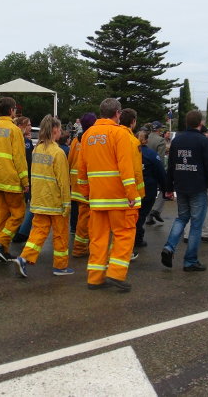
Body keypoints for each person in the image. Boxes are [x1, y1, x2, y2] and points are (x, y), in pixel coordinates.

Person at [78, 98, 142, 292]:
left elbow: (82, 169)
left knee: (98, 238)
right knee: (124, 235)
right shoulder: (119, 133)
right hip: (119, 198)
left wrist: (86, 193)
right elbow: (125, 165)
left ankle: (95, 278)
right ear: (118, 114)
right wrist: (132, 193)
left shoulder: (88, 135)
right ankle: (115, 273)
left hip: (97, 198)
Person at [14, 115, 72, 277]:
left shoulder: (37, 149)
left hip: (39, 200)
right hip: (55, 202)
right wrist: (66, 204)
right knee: (60, 234)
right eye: (59, 129)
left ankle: (24, 258)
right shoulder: (58, 153)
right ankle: (60, 267)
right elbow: (63, 181)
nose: (60, 132)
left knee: (38, 232)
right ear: (54, 130)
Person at [160, 110, 208, 272]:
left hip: (181, 185)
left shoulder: (177, 140)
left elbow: (170, 166)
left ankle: (170, 246)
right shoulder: (203, 141)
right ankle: (190, 260)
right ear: (200, 123)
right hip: (198, 187)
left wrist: (169, 188)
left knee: (181, 218)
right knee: (196, 225)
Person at [0, 97, 29, 262]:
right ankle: (0, 243)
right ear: (12, 111)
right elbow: (19, 157)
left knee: (1, 217)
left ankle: (0, 253)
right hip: (10, 178)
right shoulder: (14, 129)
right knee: (18, 214)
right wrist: (25, 181)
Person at [69, 113, 97, 257]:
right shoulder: (93, 140)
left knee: (81, 216)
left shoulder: (76, 140)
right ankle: (81, 248)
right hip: (88, 185)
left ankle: (81, 246)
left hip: (77, 183)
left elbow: (70, 159)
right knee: (87, 218)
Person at [135, 130, 166, 249]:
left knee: (133, 216)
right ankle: (137, 238)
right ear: (146, 141)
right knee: (141, 215)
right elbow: (161, 172)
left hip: (131, 190)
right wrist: (165, 189)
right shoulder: (152, 155)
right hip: (148, 190)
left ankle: (134, 237)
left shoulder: (128, 153)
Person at [12, 116, 35, 244]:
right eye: (29, 125)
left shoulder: (27, 141)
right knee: (19, 208)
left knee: (24, 206)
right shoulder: (21, 140)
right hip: (21, 178)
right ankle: (17, 233)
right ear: (22, 126)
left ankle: (20, 232)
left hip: (27, 177)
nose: (31, 127)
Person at [146, 121, 167, 225]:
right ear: (159, 129)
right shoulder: (161, 140)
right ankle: (156, 210)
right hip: (155, 170)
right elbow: (160, 159)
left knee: (148, 194)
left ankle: (149, 217)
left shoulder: (145, 137)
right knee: (164, 189)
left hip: (144, 170)